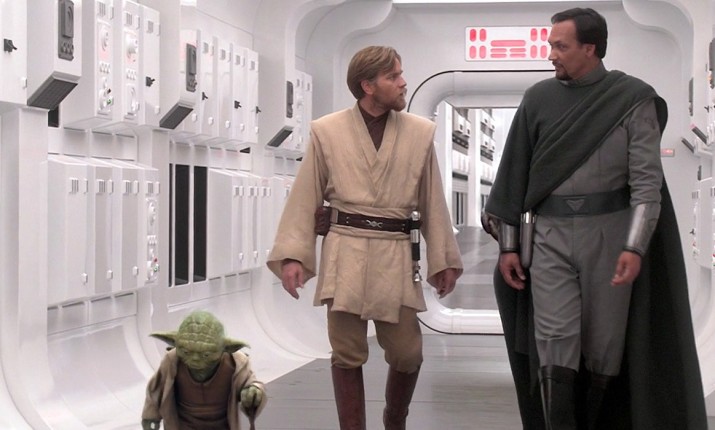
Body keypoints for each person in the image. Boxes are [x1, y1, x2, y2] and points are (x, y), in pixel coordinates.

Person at [483, 7, 707, 430]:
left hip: (610, 234)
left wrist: (634, 247)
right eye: (551, 45)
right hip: (549, 236)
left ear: (590, 48)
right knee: (554, 340)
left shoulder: (634, 99)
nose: (551, 54)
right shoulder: (537, 98)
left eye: (560, 46)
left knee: (605, 346)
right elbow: (513, 175)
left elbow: (646, 185)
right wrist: (509, 247)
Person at [266, 45, 463, 430]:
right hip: (345, 250)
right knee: (347, 352)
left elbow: (433, 201)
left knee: (407, 352)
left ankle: (395, 418)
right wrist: (293, 255)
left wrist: (444, 260)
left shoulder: (419, 133)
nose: (403, 82)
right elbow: (306, 195)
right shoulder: (328, 131)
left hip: (395, 254)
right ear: (367, 86)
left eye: (401, 73)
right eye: (393, 76)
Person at [141, 310, 266, 430]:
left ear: (226, 348)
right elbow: (157, 388)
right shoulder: (172, 360)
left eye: (205, 354)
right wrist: (150, 415)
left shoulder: (236, 363)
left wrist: (253, 391)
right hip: (184, 424)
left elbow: (250, 382)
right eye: (186, 352)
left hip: (222, 425)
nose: (195, 359)